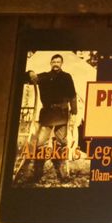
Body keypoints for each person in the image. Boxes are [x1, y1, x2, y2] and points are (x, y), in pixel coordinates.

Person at [27, 54, 77, 184]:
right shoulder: (44, 76)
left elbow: (72, 95)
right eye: (54, 61)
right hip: (47, 114)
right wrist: (30, 73)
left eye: (58, 62)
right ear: (50, 63)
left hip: (62, 113)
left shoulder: (67, 77)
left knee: (62, 143)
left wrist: (74, 112)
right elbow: (28, 79)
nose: (56, 63)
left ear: (61, 63)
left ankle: (62, 172)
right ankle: (37, 173)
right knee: (40, 143)